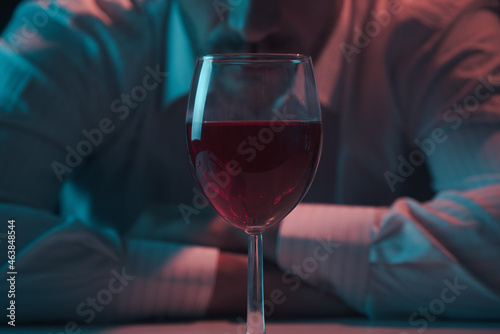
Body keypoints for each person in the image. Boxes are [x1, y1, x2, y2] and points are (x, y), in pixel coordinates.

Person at [1, 0, 499, 325]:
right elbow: (8, 271)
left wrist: (233, 230)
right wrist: (254, 285)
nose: (250, 24)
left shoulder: (436, 30)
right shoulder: (72, 31)